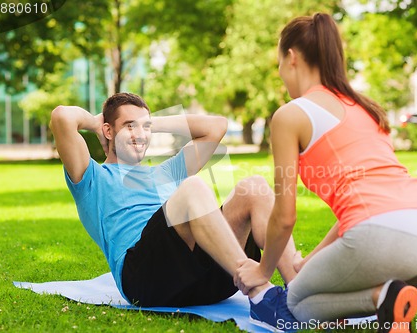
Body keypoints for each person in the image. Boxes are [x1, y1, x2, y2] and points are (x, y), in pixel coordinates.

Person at [234, 13, 417, 333]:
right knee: (318, 280)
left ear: (291, 58)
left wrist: (263, 271)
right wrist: (309, 261)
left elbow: (284, 215)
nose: (281, 74)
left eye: (279, 64)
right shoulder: (365, 107)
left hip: (383, 240)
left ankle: (385, 298)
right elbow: (362, 206)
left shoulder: (290, 115)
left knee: (295, 305)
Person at [50, 92, 298, 311]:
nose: (140, 135)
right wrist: (96, 122)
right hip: (145, 281)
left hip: (207, 279)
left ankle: (298, 293)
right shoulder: (93, 177)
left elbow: (216, 126)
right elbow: (62, 117)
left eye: (143, 128)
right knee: (192, 188)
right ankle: (260, 292)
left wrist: (147, 123)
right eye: (129, 127)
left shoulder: (165, 172)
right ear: (108, 131)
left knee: (253, 186)